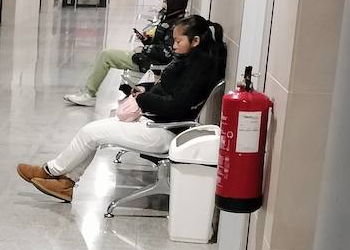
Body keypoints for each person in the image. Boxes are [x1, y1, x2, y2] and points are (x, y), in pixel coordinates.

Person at [17, 15, 223, 204]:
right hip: (155, 123)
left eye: (179, 41)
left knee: (90, 133)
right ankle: (65, 183)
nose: (174, 45)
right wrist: (146, 89)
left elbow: (174, 106)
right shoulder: (192, 63)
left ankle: (50, 171)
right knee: (92, 133)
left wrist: (143, 98)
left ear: (195, 41)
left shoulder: (197, 71)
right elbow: (169, 92)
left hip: (164, 131)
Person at [62, 0, 189, 106]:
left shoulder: (176, 26)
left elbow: (167, 52)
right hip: (148, 57)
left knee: (106, 55)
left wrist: (145, 48)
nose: (163, 4)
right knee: (108, 55)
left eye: (166, 1)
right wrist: (147, 40)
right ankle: (88, 92)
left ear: (174, 4)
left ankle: (89, 94)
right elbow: (162, 44)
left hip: (149, 61)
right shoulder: (172, 21)